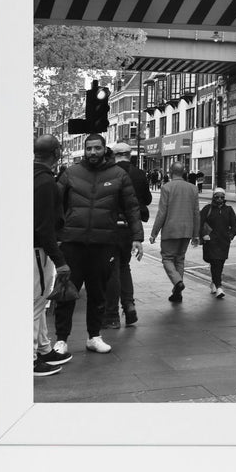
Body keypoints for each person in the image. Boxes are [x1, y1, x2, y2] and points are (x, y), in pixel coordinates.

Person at [54, 134, 142, 355]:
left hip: (103, 244)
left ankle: (94, 336)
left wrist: (137, 237)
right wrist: (56, 235)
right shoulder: (71, 173)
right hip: (73, 242)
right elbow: (55, 204)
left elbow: (132, 207)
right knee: (67, 292)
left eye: (97, 148)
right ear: (84, 150)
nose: (92, 152)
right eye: (89, 148)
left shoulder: (119, 174)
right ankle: (61, 339)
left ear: (105, 149)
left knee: (98, 293)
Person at [33, 135, 72, 377]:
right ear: (56, 152)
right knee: (35, 304)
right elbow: (44, 226)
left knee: (40, 300)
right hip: (38, 250)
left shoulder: (30, 174)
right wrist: (60, 261)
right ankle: (30, 358)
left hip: (33, 248)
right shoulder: (46, 181)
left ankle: (45, 349)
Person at [104, 143, 150, 330]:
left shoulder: (109, 172)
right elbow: (146, 199)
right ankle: (129, 305)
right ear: (130, 155)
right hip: (131, 226)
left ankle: (112, 315)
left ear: (114, 155)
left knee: (112, 269)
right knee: (124, 266)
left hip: (112, 225)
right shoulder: (139, 174)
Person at [150, 163, 201, 303]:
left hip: (171, 230)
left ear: (171, 172)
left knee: (167, 258)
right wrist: (196, 234)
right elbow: (196, 213)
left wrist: (154, 233)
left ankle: (178, 282)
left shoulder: (167, 187)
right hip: (186, 230)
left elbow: (162, 213)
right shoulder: (193, 188)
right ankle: (177, 293)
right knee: (179, 259)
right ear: (183, 172)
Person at [200, 189, 236, 297]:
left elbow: (234, 225)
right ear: (213, 197)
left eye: (222, 197)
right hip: (210, 241)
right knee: (215, 262)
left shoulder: (229, 210)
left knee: (220, 263)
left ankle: (214, 283)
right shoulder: (208, 209)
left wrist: (230, 236)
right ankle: (219, 287)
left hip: (223, 242)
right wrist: (203, 235)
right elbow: (199, 222)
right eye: (217, 197)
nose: (220, 199)